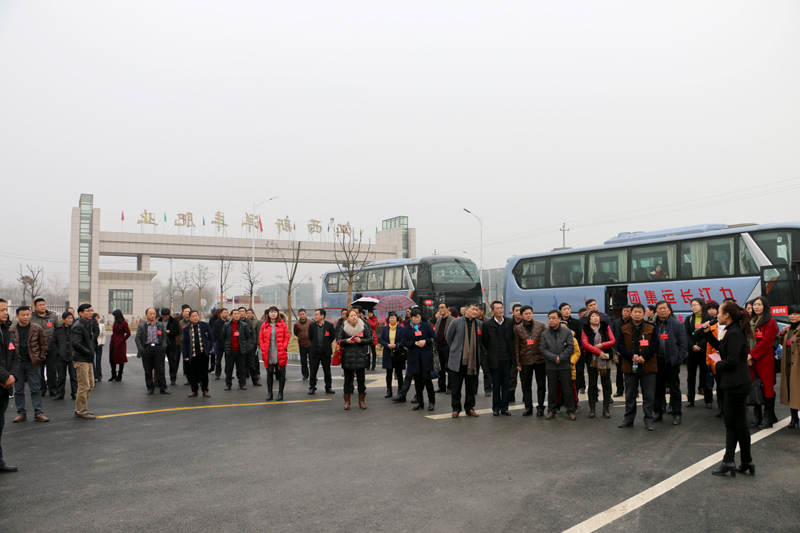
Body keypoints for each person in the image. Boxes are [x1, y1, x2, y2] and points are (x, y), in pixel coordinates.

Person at [703, 302, 755, 476]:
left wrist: (718, 364)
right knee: (738, 424)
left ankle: (730, 461)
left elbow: (732, 360)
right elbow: (722, 348)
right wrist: (707, 334)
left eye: (719, 312)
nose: (717, 316)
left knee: (733, 424)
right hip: (736, 383)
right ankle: (744, 461)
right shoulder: (732, 330)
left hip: (735, 384)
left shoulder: (734, 333)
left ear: (727, 315)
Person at [616, 304, 657, 430]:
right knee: (630, 394)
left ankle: (649, 420)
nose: (637, 314)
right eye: (635, 312)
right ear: (631, 313)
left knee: (649, 395)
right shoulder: (623, 328)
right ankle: (628, 419)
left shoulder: (651, 327)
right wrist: (631, 356)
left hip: (647, 365)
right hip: (630, 365)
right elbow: (620, 346)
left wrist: (644, 356)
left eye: (640, 312)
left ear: (644, 314)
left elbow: (655, 345)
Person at [10, 306, 48, 423]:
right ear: (17, 316)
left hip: (33, 363)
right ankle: (21, 413)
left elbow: (43, 345)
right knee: (18, 390)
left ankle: (38, 413)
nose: (26, 317)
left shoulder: (37, 328)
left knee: (35, 388)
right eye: (23, 315)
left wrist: (40, 358)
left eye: (27, 314)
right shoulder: (11, 329)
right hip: (17, 365)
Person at [652, 301, 687, 425]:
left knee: (674, 389)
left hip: (672, 362)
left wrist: (678, 360)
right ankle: (658, 411)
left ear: (669, 310)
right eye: (659, 308)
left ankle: (676, 413)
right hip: (657, 361)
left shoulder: (677, 324)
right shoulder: (653, 325)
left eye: (664, 308)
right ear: (656, 311)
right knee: (658, 388)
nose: (662, 310)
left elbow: (683, 345)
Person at [445, 303, 482, 418]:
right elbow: (448, 338)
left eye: (476, 310)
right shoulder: (456, 322)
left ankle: (469, 408)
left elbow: (481, 341)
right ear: (466, 310)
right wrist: (456, 349)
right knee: (456, 388)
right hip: (458, 361)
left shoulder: (479, 324)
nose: (475, 312)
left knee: (471, 387)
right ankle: (456, 408)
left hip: (473, 361)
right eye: (473, 309)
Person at [540, 310, 577, 420]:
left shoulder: (567, 332)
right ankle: (551, 410)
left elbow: (570, 347)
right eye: (549, 318)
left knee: (567, 389)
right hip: (551, 366)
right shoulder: (545, 333)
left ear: (559, 319)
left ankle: (570, 410)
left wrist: (560, 357)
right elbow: (543, 349)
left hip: (565, 365)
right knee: (552, 389)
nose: (551, 320)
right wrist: (554, 358)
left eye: (553, 318)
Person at [748, 296, 778, 428]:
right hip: (751, 360)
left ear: (765, 306)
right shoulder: (751, 321)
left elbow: (766, 342)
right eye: (755, 304)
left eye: (759, 304)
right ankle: (757, 415)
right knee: (755, 387)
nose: (756, 307)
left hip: (764, 359)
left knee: (767, 388)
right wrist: (748, 356)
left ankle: (768, 417)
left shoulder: (771, 322)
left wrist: (752, 355)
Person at [581, 310, 616, 419]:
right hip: (592, 360)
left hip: (605, 359)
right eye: (593, 316)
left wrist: (602, 345)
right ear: (589, 319)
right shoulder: (586, 329)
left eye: (597, 316)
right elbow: (585, 344)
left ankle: (606, 409)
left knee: (606, 384)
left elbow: (613, 341)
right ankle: (592, 409)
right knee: (592, 384)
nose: (595, 318)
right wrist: (598, 352)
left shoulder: (605, 327)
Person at [482, 301, 514, 416]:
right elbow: (484, 342)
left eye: (501, 308)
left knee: (506, 384)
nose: (500, 310)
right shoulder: (487, 324)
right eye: (497, 308)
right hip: (494, 360)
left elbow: (512, 339)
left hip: (507, 359)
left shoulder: (509, 322)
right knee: (496, 385)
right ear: (492, 311)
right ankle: (496, 408)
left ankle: (505, 408)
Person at [513, 305, 546, 417]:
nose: (528, 315)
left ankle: (540, 407)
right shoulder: (517, 328)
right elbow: (516, 346)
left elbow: (546, 341)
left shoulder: (541, 326)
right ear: (521, 315)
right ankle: (528, 407)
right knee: (526, 386)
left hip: (540, 360)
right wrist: (518, 363)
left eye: (530, 313)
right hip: (525, 360)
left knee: (541, 385)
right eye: (526, 314)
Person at [337, 308, 372, 410]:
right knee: (347, 381)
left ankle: (362, 401)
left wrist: (361, 341)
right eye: (351, 315)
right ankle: (347, 402)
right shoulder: (343, 327)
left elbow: (370, 339)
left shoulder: (363, 326)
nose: (354, 317)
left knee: (361, 381)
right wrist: (346, 341)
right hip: (347, 358)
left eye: (355, 315)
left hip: (360, 357)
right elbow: (338, 340)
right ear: (347, 318)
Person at [404, 308, 436, 411]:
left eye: (417, 317)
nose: (416, 319)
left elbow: (433, 337)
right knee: (417, 381)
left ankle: (431, 402)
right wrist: (414, 343)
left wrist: (425, 341)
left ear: (420, 317)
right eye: (413, 317)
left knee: (427, 380)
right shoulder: (408, 328)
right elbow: (404, 342)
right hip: (414, 358)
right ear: (411, 318)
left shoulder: (426, 326)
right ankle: (420, 402)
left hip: (426, 357)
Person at [0, 299, 19, 472]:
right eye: (1, 310)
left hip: (5, 386)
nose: (6, 312)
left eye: (6, 309)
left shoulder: (6, 331)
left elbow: (14, 356)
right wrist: (5, 377)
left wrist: (12, 376)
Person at [70, 303, 97, 419]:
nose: (91, 312)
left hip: (88, 358)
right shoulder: (78, 326)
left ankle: (81, 408)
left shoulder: (89, 323)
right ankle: (81, 410)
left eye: (91, 310)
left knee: (91, 384)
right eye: (88, 311)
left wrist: (91, 350)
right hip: (81, 359)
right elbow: (76, 343)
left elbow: (92, 337)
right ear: (81, 313)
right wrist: (88, 351)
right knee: (84, 385)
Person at [134, 307, 170, 395]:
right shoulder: (142, 326)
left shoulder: (160, 325)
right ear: (146, 315)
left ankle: (163, 388)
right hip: (147, 349)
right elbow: (137, 338)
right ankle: (150, 388)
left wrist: (163, 347)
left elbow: (164, 337)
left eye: (154, 313)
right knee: (148, 370)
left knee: (160, 370)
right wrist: (141, 349)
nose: (152, 315)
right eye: (150, 313)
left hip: (158, 349)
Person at [29, 297, 59, 397]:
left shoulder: (53, 316)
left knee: (52, 370)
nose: (43, 307)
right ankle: (41, 389)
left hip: (51, 347)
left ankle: (53, 389)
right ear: (35, 307)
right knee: (39, 371)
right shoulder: (31, 317)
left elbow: (58, 330)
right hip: (37, 348)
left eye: (44, 304)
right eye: (40, 305)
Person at [684, 298, 711, 409]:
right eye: (692, 305)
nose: (693, 307)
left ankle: (708, 400)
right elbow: (686, 334)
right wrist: (692, 345)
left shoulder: (708, 318)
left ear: (701, 306)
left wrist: (700, 345)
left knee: (705, 375)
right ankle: (690, 400)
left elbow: (709, 334)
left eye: (695, 305)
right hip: (692, 351)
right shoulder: (689, 318)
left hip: (704, 350)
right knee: (691, 376)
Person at [259, 306, 290, 401]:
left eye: (275, 312)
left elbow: (287, 336)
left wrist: (284, 346)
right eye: (271, 312)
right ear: (268, 314)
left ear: (278, 313)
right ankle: (270, 393)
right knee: (269, 373)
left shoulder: (282, 324)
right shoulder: (264, 325)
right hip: (269, 352)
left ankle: (280, 393)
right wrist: (263, 348)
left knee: (281, 373)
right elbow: (261, 338)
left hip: (280, 351)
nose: (273, 314)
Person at [182, 310, 212, 398]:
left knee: (204, 373)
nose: (195, 317)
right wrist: (185, 355)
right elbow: (185, 343)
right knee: (193, 374)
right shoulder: (186, 329)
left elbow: (211, 337)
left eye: (196, 316)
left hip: (203, 354)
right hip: (193, 355)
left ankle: (205, 390)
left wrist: (208, 347)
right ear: (190, 318)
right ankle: (194, 391)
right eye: (193, 316)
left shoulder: (205, 325)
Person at [779, 304, 800, 429]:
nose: (792, 316)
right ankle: (794, 418)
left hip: (797, 365)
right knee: (791, 391)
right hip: (788, 364)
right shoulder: (789, 329)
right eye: (791, 314)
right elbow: (784, 343)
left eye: (796, 314)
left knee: (796, 391)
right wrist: (782, 334)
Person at [307, 309, 336, 395]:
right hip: (314, 352)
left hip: (325, 352)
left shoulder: (329, 325)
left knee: (327, 371)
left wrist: (326, 344)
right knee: (313, 371)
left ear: (322, 316)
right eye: (315, 314)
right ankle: (312, 387)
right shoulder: (312, 326)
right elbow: (310, 337)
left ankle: (328, 387)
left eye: (317, 314)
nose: (315, 316)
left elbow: (332, 337)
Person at [222, 308, 252, 391]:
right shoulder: (226, 325)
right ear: (231, 315)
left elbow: (248, 337)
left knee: (241, 369)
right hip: (230, 351)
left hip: (240, 351)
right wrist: (225, 347)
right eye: (234, 314)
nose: (237, 315)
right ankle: (228, 384)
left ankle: (242, 384)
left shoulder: (244, 325)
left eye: (238, 314)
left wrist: (246, 347)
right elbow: (223, 337)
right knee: (229, 369)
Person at [51, 311, 78, 400]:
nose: (70, 320)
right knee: (61, 377)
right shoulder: (58, 330)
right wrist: (58, 352)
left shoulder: (75, 329)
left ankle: (75, 393)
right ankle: (60, 393)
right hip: (61, 357)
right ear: (63, 320)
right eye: (68, 318)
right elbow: (54, 342)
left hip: (73, 356)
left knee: (73, 376)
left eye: (71, 318)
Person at [379, 312, 407, 398]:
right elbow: (381, 340)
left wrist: (396, 345)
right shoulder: (385, 329)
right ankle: (389, 390)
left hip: (398, 353)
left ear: (397, 319)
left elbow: (403, 340)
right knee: (389, 373)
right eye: (390, 318)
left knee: (399, 373)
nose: (392, 319)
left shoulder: (401, 329)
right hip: (388, 353)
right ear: (388, 319)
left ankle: (400, 390)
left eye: (394, 318)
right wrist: (387, 345)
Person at [611, 305, 632, 397]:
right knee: (619, 372)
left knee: (631, 372)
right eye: (624, 311)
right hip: (618, 352)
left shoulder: (633, 322)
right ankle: (619, 391)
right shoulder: (616, 322)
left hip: (630, 352)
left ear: (631, 313)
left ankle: (631, 391)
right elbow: (612, 336)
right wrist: (614, 350)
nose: (626, 313)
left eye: (628, 311)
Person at [433, 304, 453, 393]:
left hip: (448, 347)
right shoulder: (439, 320)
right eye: (439, 308)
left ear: (447, 309)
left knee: (449, 368)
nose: (440, 309)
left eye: (442, 308)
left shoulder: (452, 320)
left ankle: (450, 387)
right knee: (440, 368)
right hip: (439, 347)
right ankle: (441, 387)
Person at [160, 308, 181, 386]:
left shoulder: (174, 321)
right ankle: (161, 379)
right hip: (161, 344)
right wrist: (161, 332)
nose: (165, 318)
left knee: (172, 362)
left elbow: (177, 332)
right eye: (164, 316)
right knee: (160, 363)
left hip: (171, 344)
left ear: (169, 315)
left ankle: (173, 378)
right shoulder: (158, 320)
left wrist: (170, 332)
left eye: (167, 316)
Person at [108, 309, 130, 382]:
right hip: (113, 342)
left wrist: (122, 340)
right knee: (112, 359)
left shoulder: (124, 323)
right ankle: (113, 375)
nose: (114, 317)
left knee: (120, 359)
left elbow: (128, 333)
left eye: (114, 315)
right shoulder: (115, 322)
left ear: (118, 315)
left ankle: (119, 376)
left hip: (120, 344)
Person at [508, 303, 523, 403]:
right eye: (516, 310)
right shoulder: (508, 324)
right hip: (511, 355)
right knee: (511, 377)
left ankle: (526, 398)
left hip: (524, 354)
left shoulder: (526, 324)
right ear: (512, 312)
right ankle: (510, 397)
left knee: (525, 378)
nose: (518, 312)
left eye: (520, 311)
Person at [293, 309, 312, 381]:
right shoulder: (296, 324)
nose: (302, 316)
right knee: (303, 361)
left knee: (312, 361)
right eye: (300, 314)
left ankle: (313, 375)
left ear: (306, 314)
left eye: (303, 314)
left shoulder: (311, 322)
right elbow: (296, 333)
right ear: (299, 315)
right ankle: (305, 375)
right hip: (302, 345)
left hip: (311, 344)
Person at [212, 308, 228, 380]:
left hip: (227, 344)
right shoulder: (216, 322)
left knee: (228, 360)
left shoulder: (229, 322)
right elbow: (214, 333)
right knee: (218, 360)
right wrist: (218, 339)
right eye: (224, 312)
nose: (226, 314)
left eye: (227, 312)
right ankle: (217, 374)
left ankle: (228, 373)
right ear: (221, 314)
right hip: (219, 344)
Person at [94, 313, 106, 384]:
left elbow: (104, 334)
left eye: (97, 317)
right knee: (92, 361)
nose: (97, 319)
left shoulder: (102, 325)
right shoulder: (91, 324)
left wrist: (103, 343)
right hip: (92, 344)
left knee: (98, 360)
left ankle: (99, 376)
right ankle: (94, 375)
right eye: (96, 317)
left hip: (99, 344)